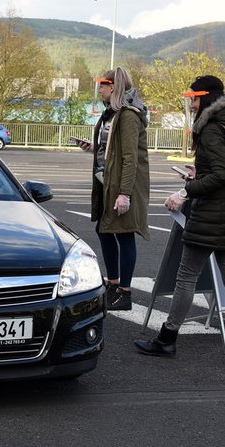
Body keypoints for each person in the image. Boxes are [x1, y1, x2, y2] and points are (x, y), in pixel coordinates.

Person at [133, 75, 225, 370]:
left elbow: (222, 175)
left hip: (211, 215)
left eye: (195, 98)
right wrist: (199, 173)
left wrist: (186, 190)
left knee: (186, 277)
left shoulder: (211, 128)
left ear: (207, 99)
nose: (192, 102)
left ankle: (166, 339)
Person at [75, 66, 150, 310]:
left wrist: (124, 194)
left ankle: (124, 292)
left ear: (114, 86)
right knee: (104, 231)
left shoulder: (127, 115)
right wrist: (94, 147)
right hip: (109, 183)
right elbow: (113, 148)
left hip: (121, 185)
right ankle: (114, 283)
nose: (100, 89)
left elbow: (130, 158)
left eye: (103, 84)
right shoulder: (111, 113)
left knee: (124, 234)